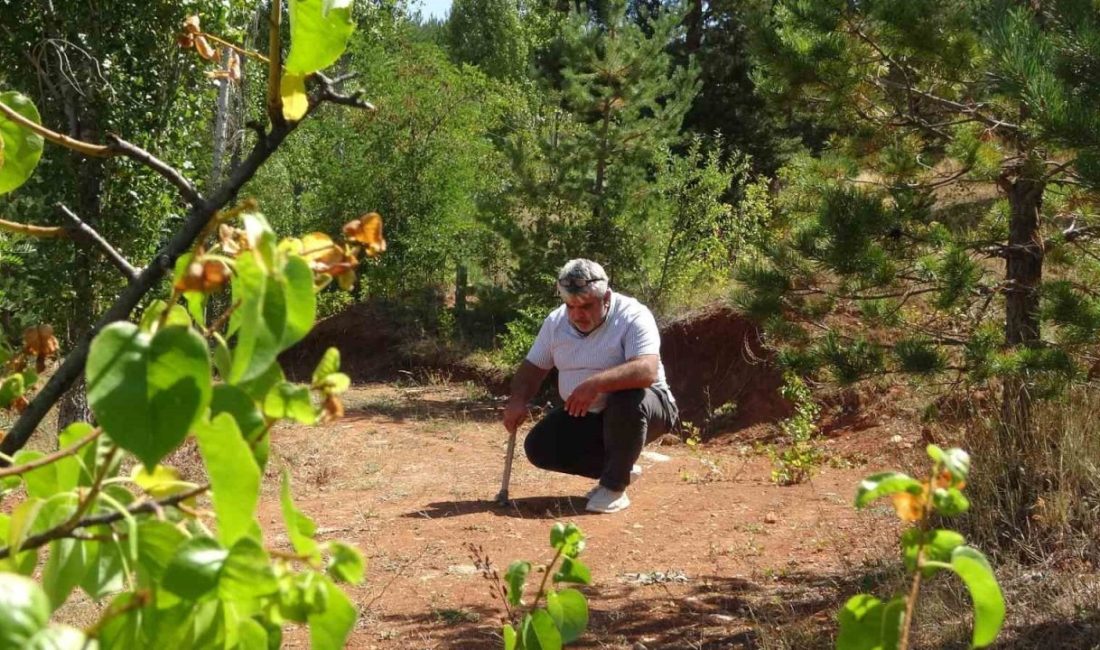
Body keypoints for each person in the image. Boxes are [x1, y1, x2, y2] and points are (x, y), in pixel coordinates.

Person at [502, 259, 678, 513]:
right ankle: (620, 465)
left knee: (626, 398)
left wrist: (596, 384)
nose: (577, 314)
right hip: (589, 414)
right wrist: (518, 399)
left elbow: (646, 370)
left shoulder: (632, 315)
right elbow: (532, 369)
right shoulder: (556, 322)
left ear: (606, 297)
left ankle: (614, 486)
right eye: (570, 306)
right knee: (540, 446)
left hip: (649, 408)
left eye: (586, 306)